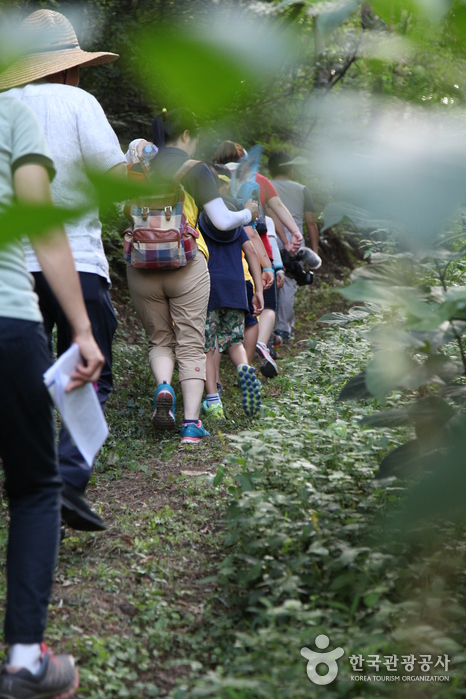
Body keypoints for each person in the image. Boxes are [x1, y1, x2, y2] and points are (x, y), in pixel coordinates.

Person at [0, 9, 126, 532]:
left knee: (25, 377)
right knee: (87, 368)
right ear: (70, 67)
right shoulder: (81, 102)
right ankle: (68, 479)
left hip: (12, 274)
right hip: (78, 262)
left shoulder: (4, 107)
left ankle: (32, 478)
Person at [0, 94, 104, 699]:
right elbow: (40, 221)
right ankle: (24, 662)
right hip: (8, 321)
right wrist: (82, 331)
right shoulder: (12, 117)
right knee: (37, 486)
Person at [126, 110, 258, 444]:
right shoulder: (195, 168)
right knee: (191, 342)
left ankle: (164, 386)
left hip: (141, 263)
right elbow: (222, 220)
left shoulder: (139, 167)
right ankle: (190, 424)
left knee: (160, 339)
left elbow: (123, 212)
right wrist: (248, 213)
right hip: (187, 262)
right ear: (186, 135)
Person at [213, 141, 303, 371]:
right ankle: (252, 355)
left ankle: (217, 378)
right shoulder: (258, 180)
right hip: (257, 250)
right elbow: (277, 207)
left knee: (222, 313)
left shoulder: (211, 178)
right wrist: (294, 233)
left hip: (222, 254)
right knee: (265, 306)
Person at [199, 201, 264, 419]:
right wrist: (258, 290)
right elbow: (252, 254)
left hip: (209, 289)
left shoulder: (200, 225)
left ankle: (214, 402)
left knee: (208, 346)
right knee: (234, 342)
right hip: (236, 289)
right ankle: (244, 367)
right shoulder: (237, 230)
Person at [268, 150, 319, 342]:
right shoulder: (302, 189)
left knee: (269, 281)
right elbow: (311, 222)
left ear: (270, 170)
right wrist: (314, 250)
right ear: (290, 169)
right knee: (289, 284)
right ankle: (283, 329)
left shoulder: (265, 186)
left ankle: (267, 328)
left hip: (270, 239)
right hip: (295, 243)